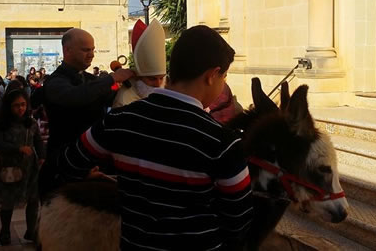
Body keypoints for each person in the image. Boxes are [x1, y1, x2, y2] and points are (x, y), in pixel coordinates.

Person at [58, 26, 254, 250]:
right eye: (224, 76)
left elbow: (69, 162)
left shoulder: (119, 121)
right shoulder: (223, 143)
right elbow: (239, 222)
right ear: (211, 76)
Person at [39, 28, 134, 200]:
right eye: (85, 50)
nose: (91, 54)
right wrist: (112, 79)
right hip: (64, 164)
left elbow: (109, 100)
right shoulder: (55, 82)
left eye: (92, 49)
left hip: (93, 161)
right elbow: (77, 96)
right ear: (67, 50)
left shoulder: (90, 80)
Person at [0, 89, 44, 245]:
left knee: (33, 200)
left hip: (29, 167)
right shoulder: (2, 124)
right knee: (8, 200)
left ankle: (31, 231)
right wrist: (17, 148)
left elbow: (37, 141)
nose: (21, 109)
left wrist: (42, 157)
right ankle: (5, 231)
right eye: (16, 105)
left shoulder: (30, 123)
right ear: (8, 107)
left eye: (23, 104)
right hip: (9, 168)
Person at [112, 19, 166, 108]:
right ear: (138, 78)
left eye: (161, 78)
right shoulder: (124, 101)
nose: (158, 84)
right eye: (152, 79)